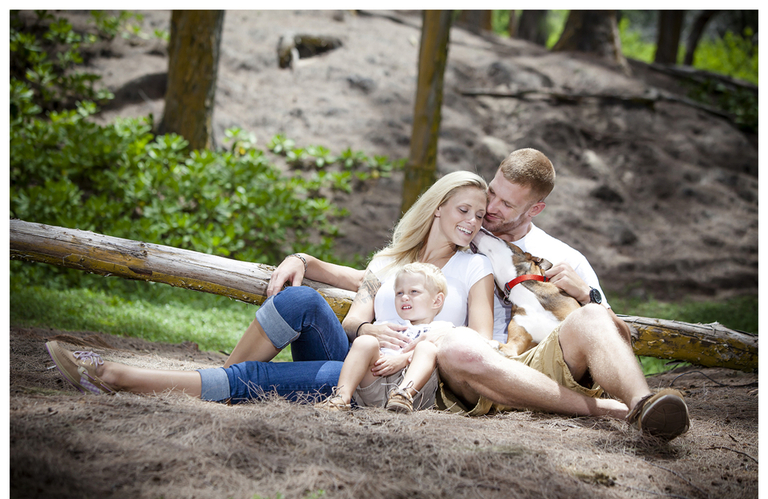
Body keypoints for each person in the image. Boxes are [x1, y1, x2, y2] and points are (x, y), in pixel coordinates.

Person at [266, 149, 691, 441]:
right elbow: (384, 273)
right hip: (477, 364)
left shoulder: (565, 257)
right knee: (459, 346)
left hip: (541, 359)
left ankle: (643, 406)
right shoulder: (467, 228)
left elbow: (614, 334)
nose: (490, 210)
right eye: (492, 192)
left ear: (535, 209)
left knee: (591, 319)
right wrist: (308, 260)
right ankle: (603, 411)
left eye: (506, 205)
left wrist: (588, 296)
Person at [45, 171, 495, 405]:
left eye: (479, 215)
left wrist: (420, 344)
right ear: (437, 208)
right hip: (358, 359)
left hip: (397, 382)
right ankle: (213, 384)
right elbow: (356, 318)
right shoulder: (389, 261)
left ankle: (114, 377)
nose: (472, 222)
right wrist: (369, 330)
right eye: (464, 209)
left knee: (257, 377)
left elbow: (479, 340)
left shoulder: (475, 269)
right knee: (299, 298)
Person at [315, 262, 452, 413]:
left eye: (414, 291)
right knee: (365, 341)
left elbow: (444, 350)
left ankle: (403, 394)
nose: (404, 297)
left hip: (416, 389)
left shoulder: (442, 328)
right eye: (399, 293)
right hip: (377, 378)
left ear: (437, 301)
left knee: (427, 347)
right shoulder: (388, 326)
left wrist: (403, 359)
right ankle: (341, 398)